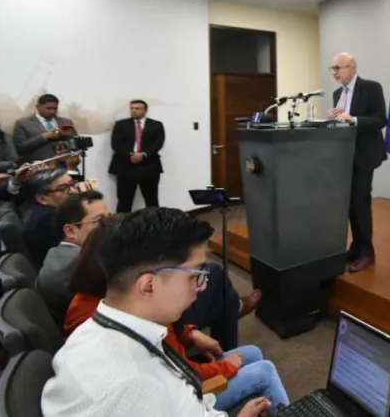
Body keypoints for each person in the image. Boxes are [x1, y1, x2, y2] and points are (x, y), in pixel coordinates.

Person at [42, 208, 279, 417]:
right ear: (148, 285)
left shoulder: (103, 328)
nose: (202, 287)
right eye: (195, 276)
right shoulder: (134, 387)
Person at [326, 52, 387, 273]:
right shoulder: (336, 94)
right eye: (332, 68)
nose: (334, 73)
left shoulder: (371, 88)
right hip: (343, 157)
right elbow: (340, 126)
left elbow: (381, 120)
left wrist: (354, 119)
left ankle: (367, 252)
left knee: (360, 203)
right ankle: (356, 246)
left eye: (337, 68)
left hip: (364, 155)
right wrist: (332, 119)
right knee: (349, 204)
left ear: (351, 67)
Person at [37, 191, 109, 322]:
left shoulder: (57, 252)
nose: (110, 225)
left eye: (109, 217)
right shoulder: (85, 265)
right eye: (100, 221)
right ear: (71, 231)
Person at [108, 99, 165, 212]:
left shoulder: (156, 125)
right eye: (132, 108)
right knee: (124, 200)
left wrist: (143, 155)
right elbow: (116, 144)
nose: (134, 111)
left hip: (149, 166)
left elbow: (158, 144)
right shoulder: (121, 125)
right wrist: (130, 155)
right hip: (126, 166)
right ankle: (122, 227)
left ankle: (155, 226)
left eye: (137, 108)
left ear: (145, 110)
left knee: (151, 200)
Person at [12, 94, 75, 162]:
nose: (52, 111)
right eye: (48, 108)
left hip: (65, 165)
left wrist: (68, 136)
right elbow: (19, 147)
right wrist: (43, 137)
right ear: (38, 107)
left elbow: (77, 146)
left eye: (55, 108)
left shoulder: (66, 122)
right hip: (38, 167)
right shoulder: (22, 123)